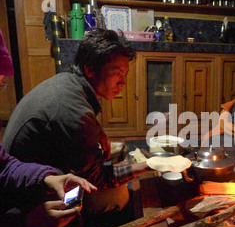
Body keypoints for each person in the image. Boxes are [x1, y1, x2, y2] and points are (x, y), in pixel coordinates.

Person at [2, 28, 149, 214]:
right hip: (24, 194)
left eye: (124, 75)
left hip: (33, 172)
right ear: (89, 70)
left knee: (115, 155)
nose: (123, 83)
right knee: (118, 196)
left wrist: (97, 130)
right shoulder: (75, 112)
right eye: (117, 74)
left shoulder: (67, 81)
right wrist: (148, 165)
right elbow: (100, 181)